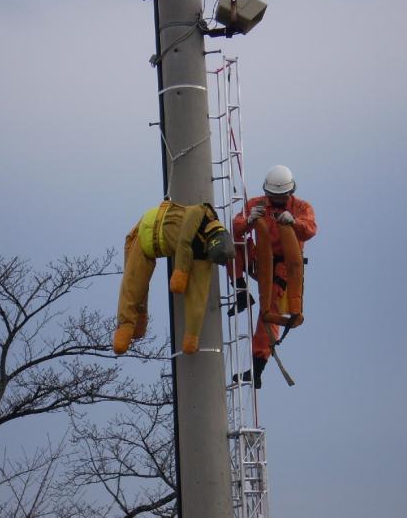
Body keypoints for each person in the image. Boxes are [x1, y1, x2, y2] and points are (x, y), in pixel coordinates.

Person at [232, 165, 317, 388]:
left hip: (282, 268)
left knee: (268, 312)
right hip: (260, 261)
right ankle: (240, 290)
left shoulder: (301, 207)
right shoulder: (258, 204)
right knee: (232, 245)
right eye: (274, 197)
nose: (277, 201)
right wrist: (250, 219)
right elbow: (237, 226)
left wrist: (294, 222)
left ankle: (257, 368)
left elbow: (310, 229)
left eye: (281, 197)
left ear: (290, 193)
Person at [114, 199, 234, 355]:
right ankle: (127, 325)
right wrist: (181, 272)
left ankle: (134, 324)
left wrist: (192, 336)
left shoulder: (204, 257)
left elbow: (198, 297)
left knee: (134, 284)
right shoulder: (202, 212)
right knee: (133, 285)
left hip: (149, 241)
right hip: (145, 228)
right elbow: (184, 240)